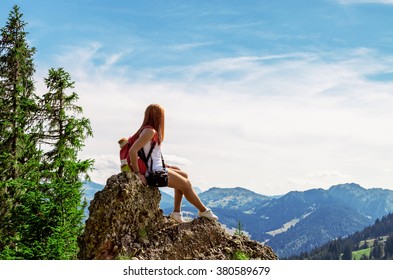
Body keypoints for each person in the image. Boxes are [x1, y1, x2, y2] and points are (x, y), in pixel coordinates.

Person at [129, 104, 218, 223]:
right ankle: (203, 210)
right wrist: (137, 173)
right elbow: (132, 151)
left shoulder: (149, 130)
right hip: (154, 174)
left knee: (184, 175)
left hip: (157, 169)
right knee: (186, 184)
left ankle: (176, 213)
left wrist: (166, 166)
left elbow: (152, 154)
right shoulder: (149, 131)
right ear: (158, 117)